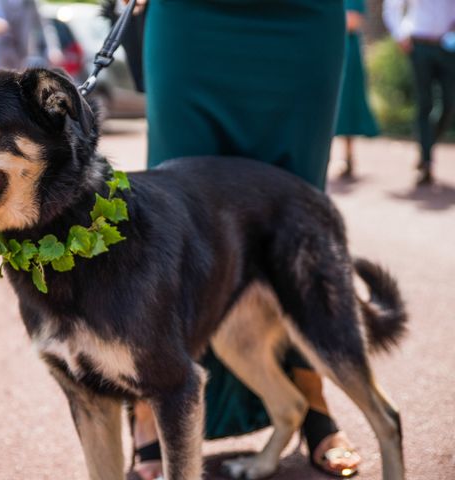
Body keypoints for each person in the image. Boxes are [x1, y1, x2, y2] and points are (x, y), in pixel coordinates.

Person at [120, 0, 361, 478]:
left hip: (302, 19)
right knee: (179, 207)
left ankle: (311, 400)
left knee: (298, 207)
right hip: (193, 17)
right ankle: (149, 411)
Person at [384, 0, 455, 186]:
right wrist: (400, 35)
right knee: (425, 103)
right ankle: (426, 160)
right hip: (420, 44)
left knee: (450, 102)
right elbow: (392, 6)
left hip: (447, 45)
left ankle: (428, 144)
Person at [336, 0, 380, 179]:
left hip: (347, 52)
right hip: (331, 46)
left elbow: (353, 22)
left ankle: (347, 156)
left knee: (347, 104)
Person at [0, 0, 45, 70]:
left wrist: (52, 48)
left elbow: (44, 25)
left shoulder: (31, 2)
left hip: (23, 50)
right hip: (3, 49)